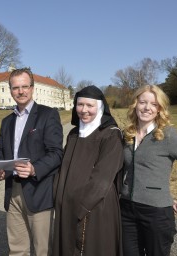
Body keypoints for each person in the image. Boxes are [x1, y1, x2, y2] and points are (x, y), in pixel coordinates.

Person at [120, 84, 177, 256]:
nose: (147, 108)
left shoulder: (168, 135)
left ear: (160, 109)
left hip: (156, 214)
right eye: (143, 102)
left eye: (153, 104)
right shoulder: (127, 135)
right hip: (126, 211)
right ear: (135, 104)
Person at [0, 68, 63, 255]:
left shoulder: (48, 115)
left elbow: (56, 153)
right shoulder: (7, 121)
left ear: (32, 88)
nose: (20, 91)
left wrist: (34, 169)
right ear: (11, 90)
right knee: (17, 248)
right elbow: (0, 151)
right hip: (12, 191)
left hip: (38, 191)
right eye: (15, 88)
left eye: (24, 87)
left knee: (41, 249)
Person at [52, 85, 124, 256]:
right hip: (68, 206)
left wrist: (81, 205)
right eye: (80, 105)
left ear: (100, 107)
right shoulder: (74, 134)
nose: (84, 110)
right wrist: (58, 195)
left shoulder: (110, 135)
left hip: (95, 207)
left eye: (89, 106)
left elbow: (103, 177)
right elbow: (64, 168)